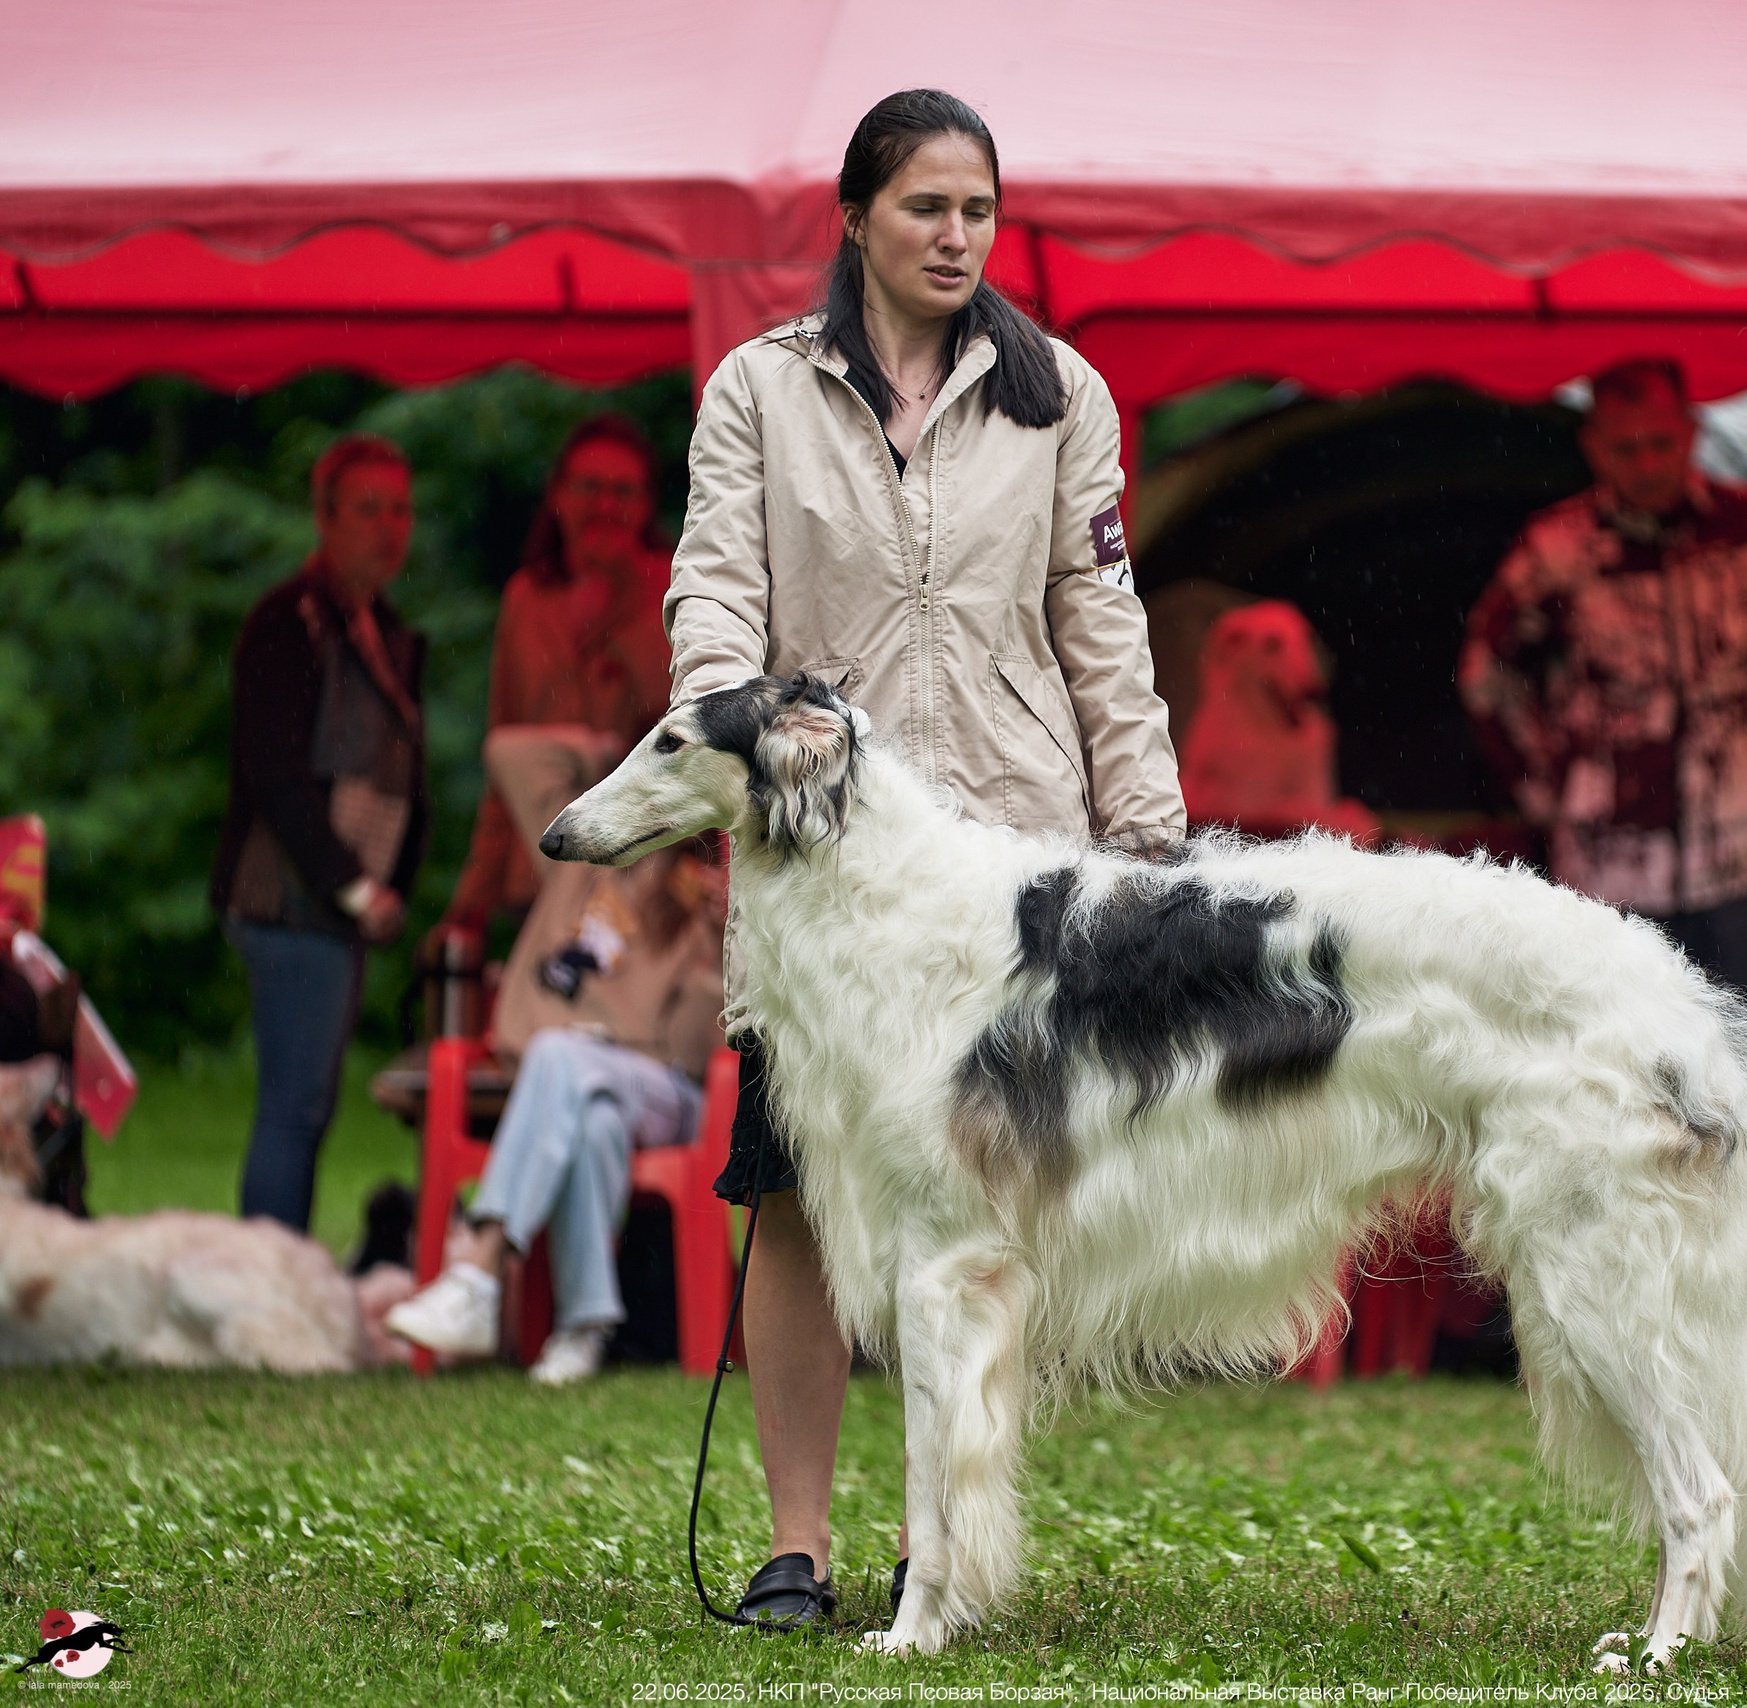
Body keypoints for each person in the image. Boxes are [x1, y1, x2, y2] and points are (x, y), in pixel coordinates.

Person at [667, 89, 1183, 1626]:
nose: (956, 237)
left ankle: (938, 1545)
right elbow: (711, 596)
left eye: (978, 212)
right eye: (926, 209)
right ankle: (798, 1547)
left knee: (972, 1215)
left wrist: (1146, 840)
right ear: (855, 217)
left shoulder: (1059, 393)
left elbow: (1105, 631)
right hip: (824, 867)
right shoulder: (756, 389)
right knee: (803, 1200)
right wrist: (740, 734)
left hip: (1017, 874)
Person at [1458, 358, 1747, 1040]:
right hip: (1603, 872)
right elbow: (1487, 672)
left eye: (1661, 443)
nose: (1647, 464)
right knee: (1607, 1060)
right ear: (1594, 447)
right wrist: (1544, 787)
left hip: (1741, 859)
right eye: (1627, 448)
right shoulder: (1557, 549)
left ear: (1691, 434)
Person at [385, 832, 725, 1385]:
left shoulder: (708, 888)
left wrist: (717, 941)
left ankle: (479, 1272)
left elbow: (701, 1052)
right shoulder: (583, 868)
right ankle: (583, 1329)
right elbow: (516, 756)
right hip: (584, 1082)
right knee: (594, 1124)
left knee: (561, 1055)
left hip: (674, 1091)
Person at [211, 434, 427, 1232]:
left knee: (307, 1104)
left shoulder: (381, 623)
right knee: (294, 1108)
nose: (388, 526)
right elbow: (275, 773)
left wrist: (390, 888)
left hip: (331, 909)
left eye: (400, 509)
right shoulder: (286, 621)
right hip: (287, 904)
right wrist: (356, 884)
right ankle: (270, 1283)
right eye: (368, 508)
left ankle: (280, 1271)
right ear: (325, 518)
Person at [427, 415, 674, 962]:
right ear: (558, 494)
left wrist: (619, 607)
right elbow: (504, 758)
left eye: (623, 491)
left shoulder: (678, 589)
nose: (605, 506)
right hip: (539, 873)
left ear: (646, 504)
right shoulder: (526, 600)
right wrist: (469, 904)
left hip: (642, 875)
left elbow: (686, 727)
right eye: (589, 487)